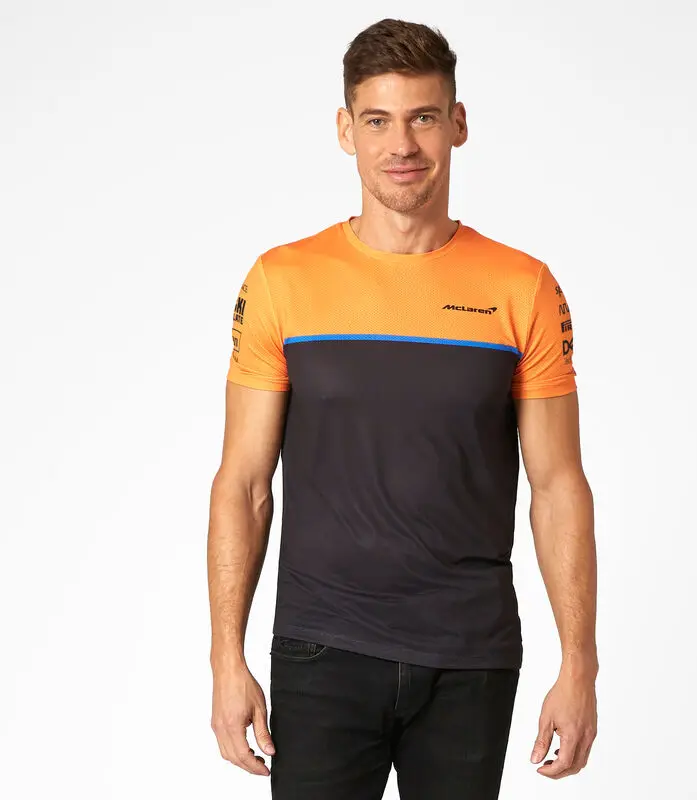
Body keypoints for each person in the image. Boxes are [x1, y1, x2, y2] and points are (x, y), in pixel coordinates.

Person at [208, 17, 598, 799]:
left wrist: (579, 665)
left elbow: (558, 485)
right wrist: (226, 659)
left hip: (470, 658)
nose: (402, 145)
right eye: (378, 121)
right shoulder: (283, 281)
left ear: (458, 123)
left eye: (422, 117)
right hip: (322, 649)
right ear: (345, 130)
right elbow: (243, 484)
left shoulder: (522, 287)